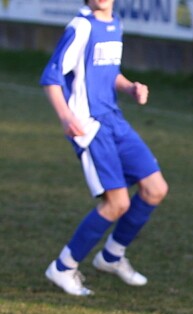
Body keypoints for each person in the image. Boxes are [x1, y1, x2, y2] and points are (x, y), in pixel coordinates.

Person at [40, 0, 168, 297]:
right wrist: (65, 116)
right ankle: (62, 267)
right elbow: (51, 76)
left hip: (115, 120)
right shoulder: (81, 26)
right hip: (90, 125)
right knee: (117, 203)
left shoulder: (115, 24)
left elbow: (109, 73)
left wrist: (130, 87)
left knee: (155, 188)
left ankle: (111, 256)